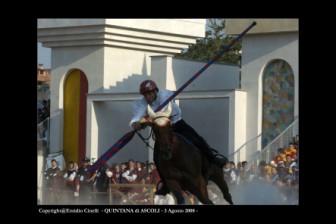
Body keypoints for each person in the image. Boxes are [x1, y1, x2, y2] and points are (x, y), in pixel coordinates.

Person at [129, 80, 228, 195]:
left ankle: (213, 159)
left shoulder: (164, 95)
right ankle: (165, 183)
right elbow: (137, 115)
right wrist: (135, 122)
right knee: (156, 156)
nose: (148, 96)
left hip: (176, 123)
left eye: (150, 93)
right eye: (145, 95)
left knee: (198, 139)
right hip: (162, 130)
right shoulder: (141, 103)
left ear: (156, 91)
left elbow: (161, 114)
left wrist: (145, 121)